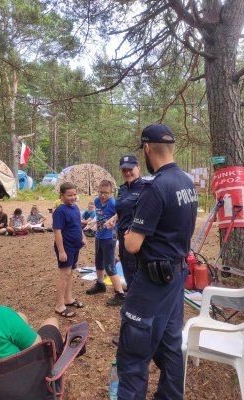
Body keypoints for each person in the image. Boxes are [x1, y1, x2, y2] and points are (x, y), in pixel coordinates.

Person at [116, 124, 198, 399]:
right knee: (171, 346)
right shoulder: (188, 183)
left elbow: (132, 244)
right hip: (176, 279)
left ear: (147, 148)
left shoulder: (156, 187)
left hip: (151, 284)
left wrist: (128, 235)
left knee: (132, 357)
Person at [0, 264, 63, 361]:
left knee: (21, 317)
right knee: (51, 321)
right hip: (25, 373)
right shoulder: (2, 315)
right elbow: (37, 350)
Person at [105, 155, 143, 291]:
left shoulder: (145, 188)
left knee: (135, 268)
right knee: (126, 265)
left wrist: (134, 229)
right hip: (122, 234)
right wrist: (114, 218)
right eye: (124, 170)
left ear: (138, 167)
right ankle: (131, 297)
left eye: (130, 169)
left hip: (136, 236)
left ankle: (137, 300)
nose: (127, 173)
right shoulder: (123, 189)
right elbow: (124, 209)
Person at [86, 180, 126, 306]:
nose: (103, 195)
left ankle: (120, 294)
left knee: (109, 265)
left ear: (111, 192)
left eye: (106, 193)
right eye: (101, 192)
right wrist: (92, 222)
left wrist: (113, 221)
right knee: (98, 261)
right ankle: (100, 284)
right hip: (99, 235)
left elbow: (121, 214)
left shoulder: (113, 202)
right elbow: (98, 215)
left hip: (110, 237)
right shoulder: (97, 201)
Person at [53, 182, 86, 318]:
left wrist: (83, 236)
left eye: (74, 194)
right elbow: (57, 231)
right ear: (62, 195)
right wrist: (61, 251)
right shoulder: (60, 210)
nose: (72, 197)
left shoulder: (75, 207)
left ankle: (69, 298)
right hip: (66, 248)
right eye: (69, 195)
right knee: (64, 275)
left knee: (70, 273)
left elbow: (78, 224)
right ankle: (59, 305)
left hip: (75, 246)